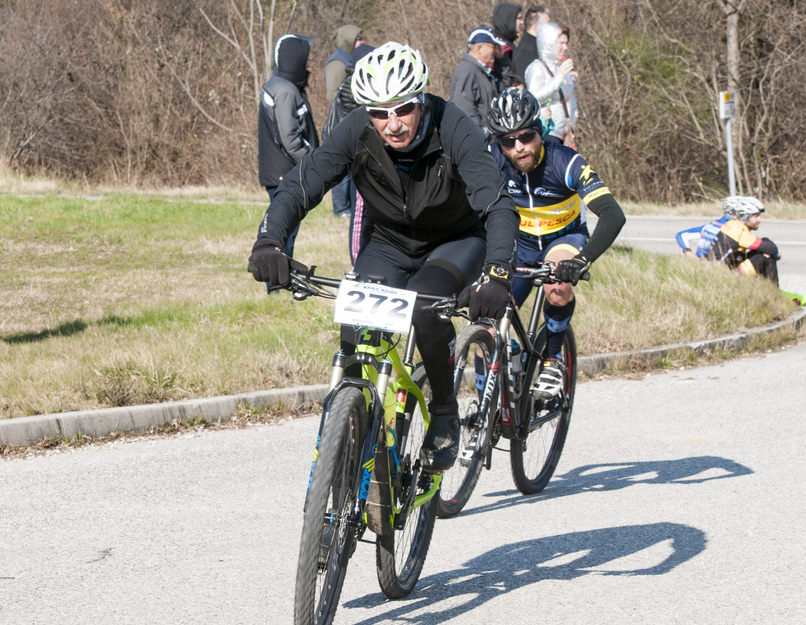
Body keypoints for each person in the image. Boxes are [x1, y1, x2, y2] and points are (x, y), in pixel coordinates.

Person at [248, 43, 520, 474]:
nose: (392, 124)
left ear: (421, 100)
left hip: (454, 240)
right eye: (379, 112)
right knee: (357, 324)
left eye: (403, 109)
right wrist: (269, 242)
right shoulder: (356, 129)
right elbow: (302, 183)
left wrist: (498, 273)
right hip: (389, 242)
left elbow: (498, 204)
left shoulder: (453, 125)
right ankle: (351, 425)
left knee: (425, 307)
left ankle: (444, 409)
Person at [487, 87, 625, 397]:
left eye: (527, 136)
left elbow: (612, 214)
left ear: (540, 130)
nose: (519, 147)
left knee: (558, 286)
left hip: (564, 237)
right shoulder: (492, 159)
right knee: (487, 319)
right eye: (508, 141)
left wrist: (582, 259)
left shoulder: (565, 161)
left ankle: (553, 359)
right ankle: (488, 405)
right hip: (519, 243)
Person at [257, 33, 319, 271]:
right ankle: (277, 280)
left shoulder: (278, 85)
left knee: (282, 229)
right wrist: (312, 161)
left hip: (279, 171)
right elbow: (290, 139)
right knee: (284, 231)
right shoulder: (285, 91)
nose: (309, 64)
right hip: (284, 173)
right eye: (305, 59)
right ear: (294, 60)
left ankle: (277, 278)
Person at [679, 196, 806, 305]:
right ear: (745, 216)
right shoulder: (740, 233)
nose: (760, 220)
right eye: (756, 216)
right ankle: (774, 296)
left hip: (717, 272)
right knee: (765, 257)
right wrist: (773, 253)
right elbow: (771, 248)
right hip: (722, 279)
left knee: (760, 251)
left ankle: (767, 292)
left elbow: (762, 245)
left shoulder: (732, 225)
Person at [324, 25, 364, 219]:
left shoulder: (352, 59)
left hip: (351, 116)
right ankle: (341, 209)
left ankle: (349, 206)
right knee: (341, 167)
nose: (362, 41)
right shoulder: (337, 63)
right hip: (340, 118)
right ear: (349, 39)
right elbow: (332, 95)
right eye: (358, 38)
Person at [525, 22, 578, 147]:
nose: (565, 47)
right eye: (561, 43)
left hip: (565, 134)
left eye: (566, 43)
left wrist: (572, 122)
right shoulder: (536, 67)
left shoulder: (561, 67)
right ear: (549, 43)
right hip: (548, 132)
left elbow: (570, 100)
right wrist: (559, 77)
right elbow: (533, 98)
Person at [449, 27, 504, 135]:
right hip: (479, 139)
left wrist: (502, 60)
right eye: (494, 47)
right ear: (479, 49)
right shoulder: (467, 71)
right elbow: (464, 110)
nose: (496, 50)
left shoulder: (481, 70)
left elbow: (504, 86)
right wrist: (484, 133)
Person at [512, 5, 550, 79]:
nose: (549, 29)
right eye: (546, 25)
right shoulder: (526, 53)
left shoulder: (536, 48)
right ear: (535, 28)